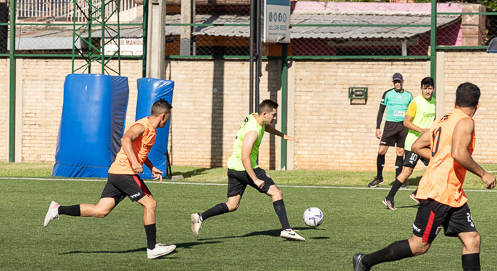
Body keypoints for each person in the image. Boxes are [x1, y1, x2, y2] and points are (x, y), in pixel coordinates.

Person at [353, 82, 497, 271]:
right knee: (418, 246)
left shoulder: (444, 119)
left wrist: (436, 159)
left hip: (453, 193)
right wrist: (483, 173)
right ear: (477, 104)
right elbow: (458, 153)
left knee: (472, 239)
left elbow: (416, 145)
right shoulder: (466, 122)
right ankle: (365, 261)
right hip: (438, 193)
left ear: (456, 101)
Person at [43, 99, 177, 260]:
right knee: (150, 203)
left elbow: (140, 150)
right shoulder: (142, 126)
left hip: (117, 173)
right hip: (124, 173)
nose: (168, 120)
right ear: (162, 115)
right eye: (168, 117)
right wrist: (134, 162)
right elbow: (125, 140)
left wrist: (151, 166)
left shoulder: (152, 130)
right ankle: (152, 248)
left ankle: (58, 209)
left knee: (101, 211)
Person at [190, 99, 305, 241]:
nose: (274, 118)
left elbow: (265, 127)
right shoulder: (253, 132)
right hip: (245, 168)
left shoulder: (254, 117)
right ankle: (287, 229)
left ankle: (200, 217)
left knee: (232, 205)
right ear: (264, 114)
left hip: (233, 167)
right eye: (273, 115)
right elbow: (245, 157)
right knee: (277, 193)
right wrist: (255, 179)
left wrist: (283, 135)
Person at [383, 76, 436, 210]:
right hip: (413, 144)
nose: (427, 91)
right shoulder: (415, 102)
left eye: (430, 88)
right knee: (407, 172)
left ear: (433, 89)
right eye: (425, 89)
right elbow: (406, 122)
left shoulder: (434, 102)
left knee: (436, 165)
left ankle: (418, 193)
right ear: (421, 89)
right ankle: (389, 197)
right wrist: (422, 131)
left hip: (426, 144)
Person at [369, 73, 413, 188]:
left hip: (403, 126)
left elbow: (412, 112)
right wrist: (378, 127)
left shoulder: (409, 96)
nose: (397, 83)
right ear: (393, 83)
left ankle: (399, 180)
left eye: (399, 81)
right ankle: (379, 177)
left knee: (400, 152)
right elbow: (381, 111)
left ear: (402, 81)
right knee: (381, 151)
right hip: (390, 126)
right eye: (395, 82)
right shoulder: (388, 94)